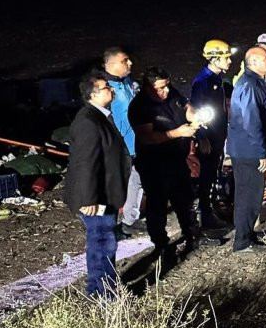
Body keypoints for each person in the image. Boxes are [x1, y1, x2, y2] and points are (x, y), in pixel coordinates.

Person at [64, 71, 132, 297]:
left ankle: (105, 288)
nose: (111, 90)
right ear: (93, 95)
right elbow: (85, 162)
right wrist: (89, 198)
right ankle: (102, 293)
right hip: (96, 197)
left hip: (104, 192)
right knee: (102, 242)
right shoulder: (88, 122)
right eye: (106, 88)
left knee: (106, 241)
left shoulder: (100, 117)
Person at [128, 66, 201, 256]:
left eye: (167, 86)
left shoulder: (171, 94)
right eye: (160, 88)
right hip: (154, 163)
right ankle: (161, 244)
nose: (165, 91)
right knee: (157, 205)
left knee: (184, 200)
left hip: (177, 159)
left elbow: (186, 106)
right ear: (148, 87)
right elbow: (147, 137)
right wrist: (179, 133)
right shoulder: (140, 107)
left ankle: (191, 234)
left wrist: (194, 116)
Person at [227, 46, 266, 253]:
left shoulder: (254, 82)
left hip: (246, 149)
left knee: (247, 194)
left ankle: (246, 232)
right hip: (249, 151)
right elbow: (251, 122)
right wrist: (261, 152)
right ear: (254, 62)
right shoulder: (250, 85)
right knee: (249, 195)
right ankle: (242, 241)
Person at [191, 39, 233, 229]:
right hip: (209, 136)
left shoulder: (216, 79)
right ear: (214, 59)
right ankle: (205, 216)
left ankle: (211, 209)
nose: (229, 61)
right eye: (226, 58)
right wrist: (202, 136)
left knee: (214, 173)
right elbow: (196, 110)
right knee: (206, 176)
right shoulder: (202, 81)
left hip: (218, 133)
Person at [103, 47, 144, 236]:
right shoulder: (104, 89)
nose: (130, 63)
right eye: (124, 61)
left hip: (136, 142)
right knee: (118, 185)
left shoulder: (127, 82)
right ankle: (109, 226)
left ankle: (130, 219)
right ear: (110, 65)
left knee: (137, 181)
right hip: (119, 146)